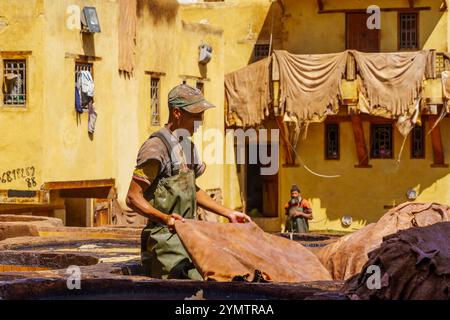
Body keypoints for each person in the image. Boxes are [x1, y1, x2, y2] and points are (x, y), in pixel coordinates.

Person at [126, 84, 252, 280]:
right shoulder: (155, 148)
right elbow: (133, 197)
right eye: (196, 114)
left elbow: (191, 189)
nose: (200, 121)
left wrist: (228, 213)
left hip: (191, 237)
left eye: (202, 114)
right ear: (177, 113)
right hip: (166, 244)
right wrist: (165, 218)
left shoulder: (188, 146)